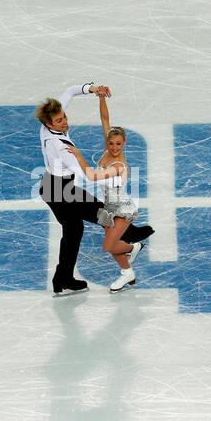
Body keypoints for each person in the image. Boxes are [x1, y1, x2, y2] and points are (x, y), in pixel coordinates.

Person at [36, 82, 153, 296]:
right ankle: (130, 241)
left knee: (74, 229)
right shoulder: (62, 148)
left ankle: (62, 278)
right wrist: (79, 154)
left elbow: (70, 92)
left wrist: (92, 89)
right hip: (60, 191)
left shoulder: (48, 123)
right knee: (99, 213)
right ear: (49, 123)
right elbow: (87, 175)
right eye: (59, 121)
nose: (65, 122)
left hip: (51, 186)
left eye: (64, 117)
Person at [60, 91, 145, 292]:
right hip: (108, 206)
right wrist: (101, 97)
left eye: (118, 144)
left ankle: (132, 251)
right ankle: (129, 268)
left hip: (123, 210)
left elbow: (91, 176)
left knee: (109, 246)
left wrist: (78, 154)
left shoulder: (119, 165)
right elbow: (105, 120)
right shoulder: (108, 150)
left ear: (124, 143)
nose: (114, 147)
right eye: (111, 143)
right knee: (114, 244)